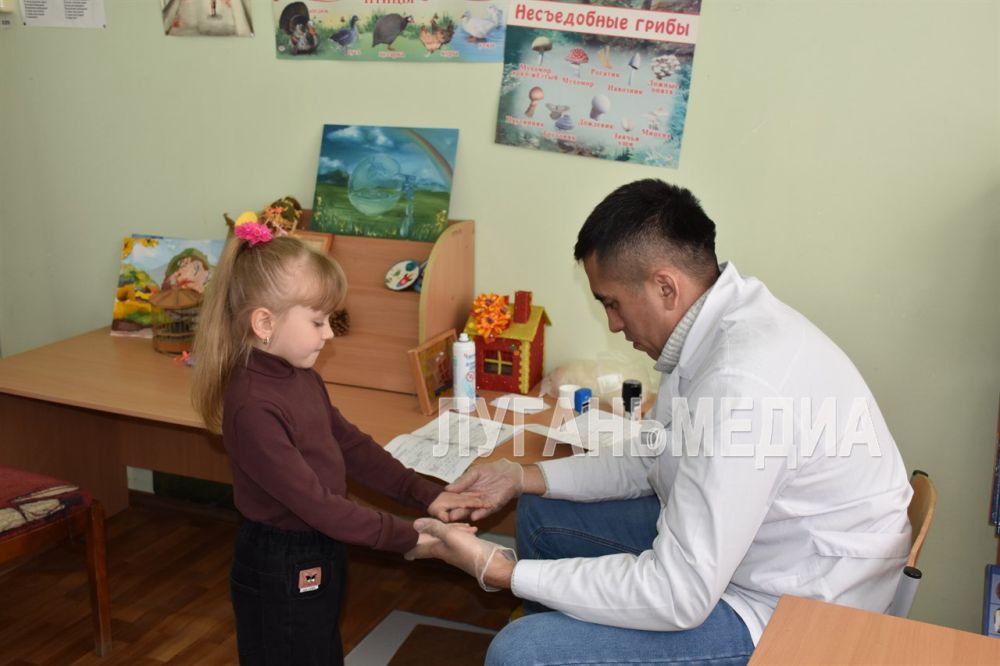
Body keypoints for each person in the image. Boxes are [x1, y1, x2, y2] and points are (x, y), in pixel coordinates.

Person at [408, 179, 913, 665]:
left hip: (798, 611)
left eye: (612, 303)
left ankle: (566, 645)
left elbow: (677, 594)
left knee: (522, 653)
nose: (613, 323)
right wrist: (521, 476)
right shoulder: (712, 332)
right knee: (541, 512)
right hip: (758, 555)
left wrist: (501, 571)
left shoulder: (742, 385)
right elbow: (654, 453)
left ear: (665, 287)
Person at [191, 222, 481, 665]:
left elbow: (350, 445)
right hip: (282, 561)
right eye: (317, 321)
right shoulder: (253, 406)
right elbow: (318, 504)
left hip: (319, 545)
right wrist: (415, 537)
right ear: (265, 322)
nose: (328, 333)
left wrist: (427, 495)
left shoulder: (300, 375)